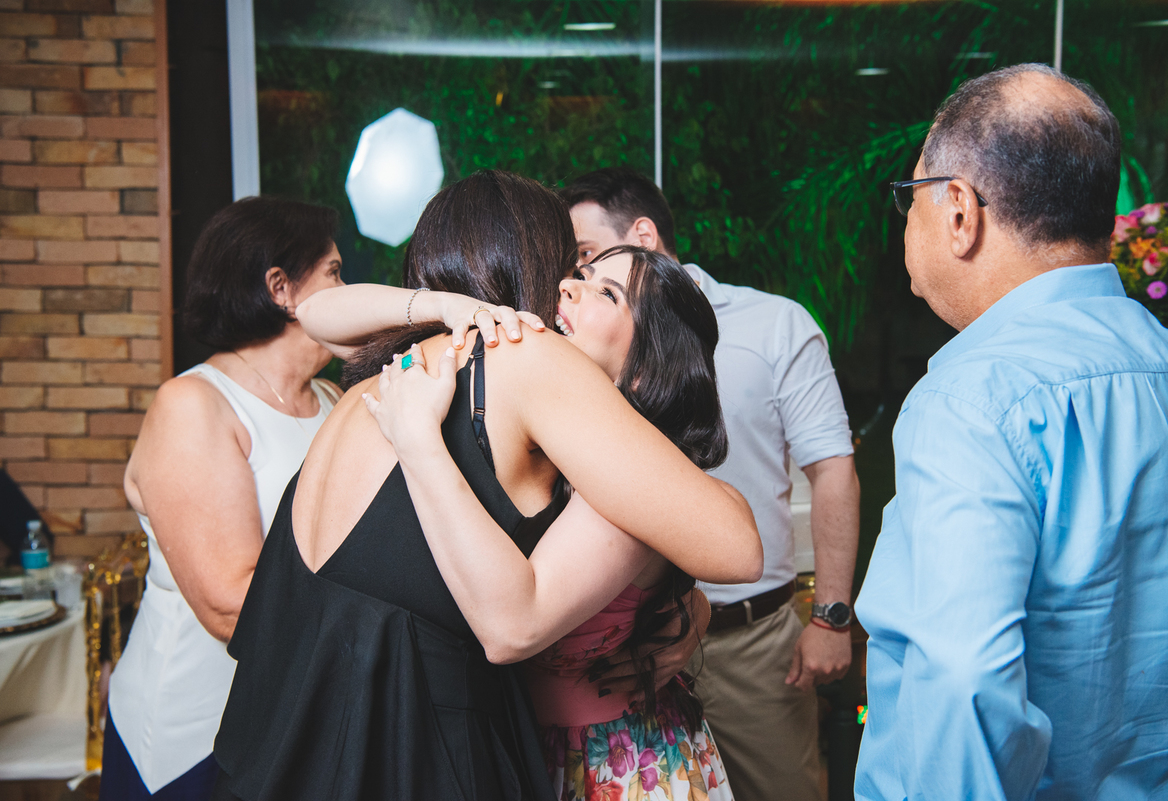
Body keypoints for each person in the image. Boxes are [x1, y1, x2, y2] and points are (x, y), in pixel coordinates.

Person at [210, 171, 761, 801]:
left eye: (596, 284)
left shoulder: (392, 372)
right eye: (572, 267)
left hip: (281, 735)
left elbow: (316, 314)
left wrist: (684, 606)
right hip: (406, 743)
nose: (569, 285)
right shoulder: (520, 359)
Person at [103, 195, 534, 801]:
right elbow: (227, 605)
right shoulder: (193, 403)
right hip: (196, 731)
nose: (347, 290)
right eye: (334, 272)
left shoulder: (335, 399)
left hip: (307, 718)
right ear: (280, 288)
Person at [854, 63, 1168, 800]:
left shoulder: (971, 401)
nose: (906, 220)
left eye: (910, 196)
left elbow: (963, 683)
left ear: (959, 211)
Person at [366, 244, 736, 800]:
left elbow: (511, 626)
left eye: (606, 293)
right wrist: (442, 306)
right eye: (580, 274)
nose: (568, 285)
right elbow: (318, 315)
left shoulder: (629, 479)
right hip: (524, 748)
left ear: (645, 366)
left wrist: (418, 440)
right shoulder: (559, 446)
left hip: (614, 763)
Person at [561, 168, 860, 801]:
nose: (575, 277)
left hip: (751, 640)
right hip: (624, 648)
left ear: (643, 235)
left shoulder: (775, 324)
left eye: (586, 254)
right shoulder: (578, 339)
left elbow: (832, 468)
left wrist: (831, 618)